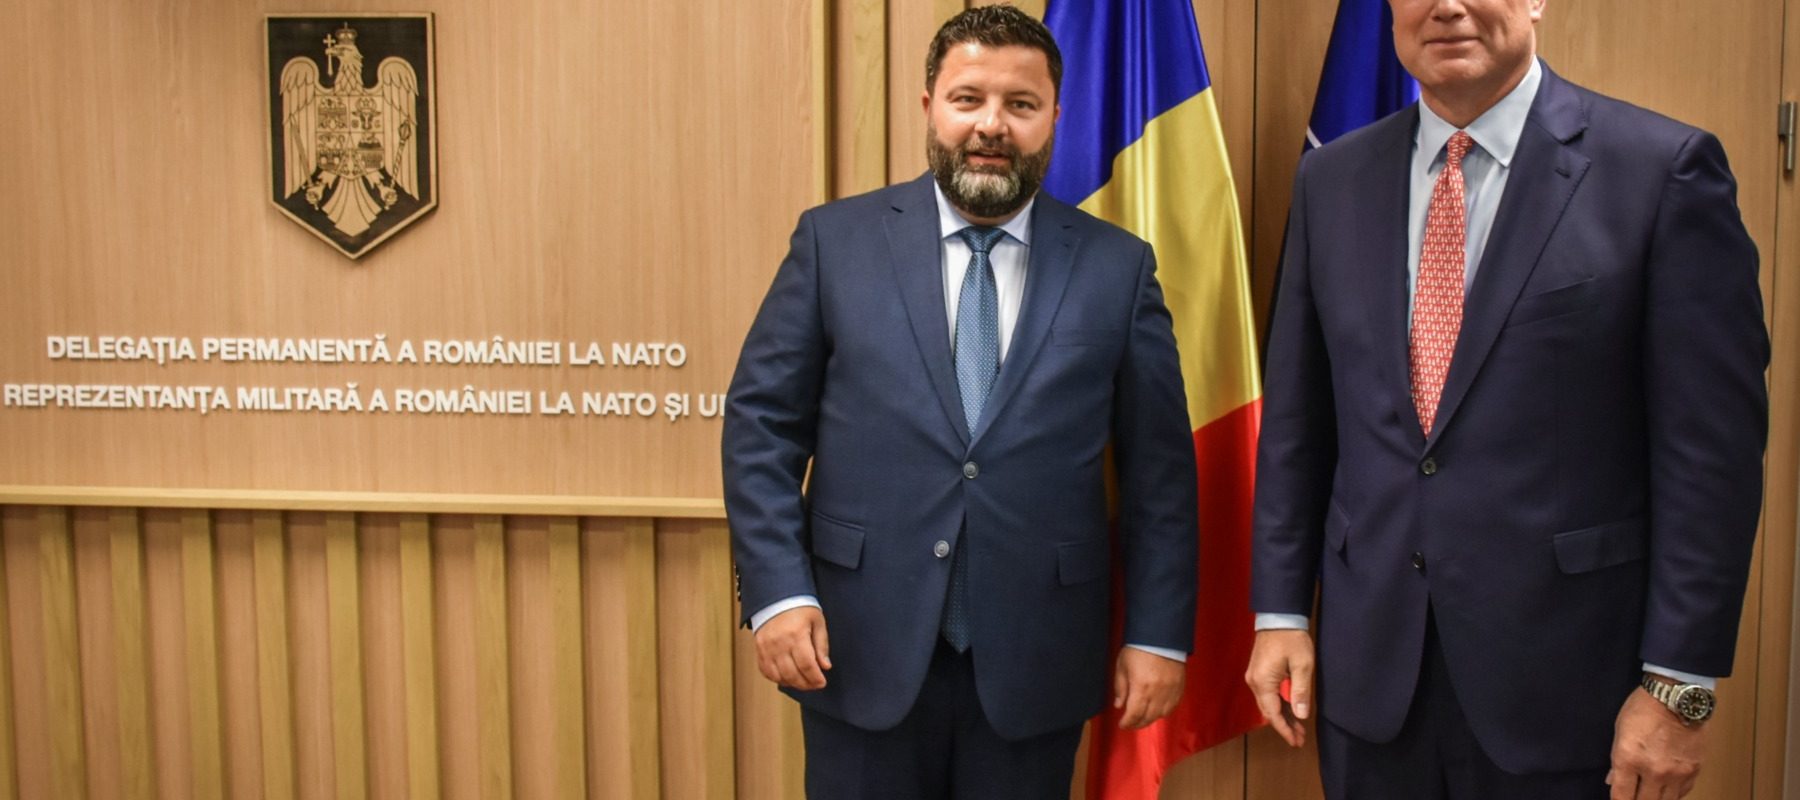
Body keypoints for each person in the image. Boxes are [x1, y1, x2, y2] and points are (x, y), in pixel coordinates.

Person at [1245, 0, 1769, 797]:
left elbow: (1711, 458)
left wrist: (1678, 686)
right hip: (1371, 679)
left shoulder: (1662, 170)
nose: (1448, 7)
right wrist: (1281, 612)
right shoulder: (1332, 177)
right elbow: (1298, 422)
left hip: (1567, 686)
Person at [722, 6, 1199, 797]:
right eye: (968, 98)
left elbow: (1162, 475)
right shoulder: (834, 244)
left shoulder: (1118, 269)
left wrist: (1158, 634)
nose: (992, 125)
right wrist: (778, 592)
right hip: (856, 646)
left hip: (1038, 660)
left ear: (1055, 118)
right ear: (929, 106)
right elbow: (760, 429)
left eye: (1021, 104)